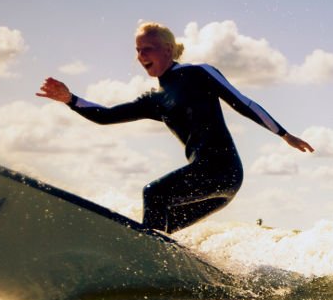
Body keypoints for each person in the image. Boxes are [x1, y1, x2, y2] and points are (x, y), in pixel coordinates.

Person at [38, 22, 313, 233]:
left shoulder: (197, 73)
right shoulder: (156, 100)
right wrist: (70, 100)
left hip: (222, 170)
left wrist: (283, 133)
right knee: (162, 228)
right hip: (214, 186)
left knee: (153, 193)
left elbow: (242, 102)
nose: (141, 55)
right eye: (137, 50)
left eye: (148, 49)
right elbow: (107, 116)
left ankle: (147, 260)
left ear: (168, 49)